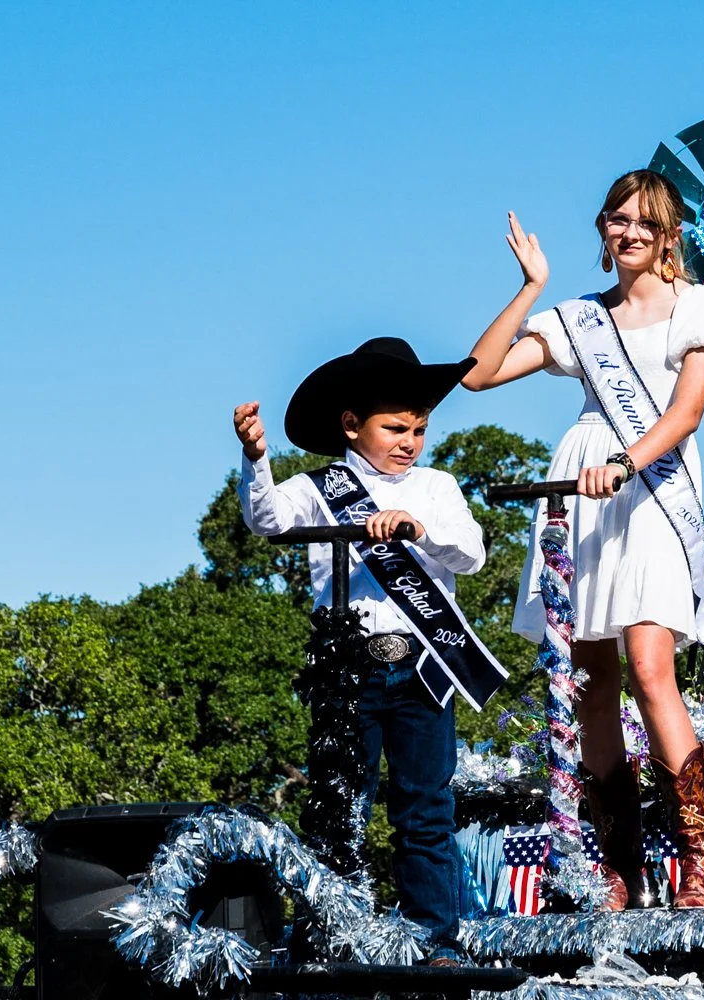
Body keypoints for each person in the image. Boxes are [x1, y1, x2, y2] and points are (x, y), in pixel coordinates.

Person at [459, 169, 704, 908]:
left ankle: (699, 855)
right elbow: (479, 377)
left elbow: (685, 415)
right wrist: (529, 288)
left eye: (646, 222)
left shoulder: (700, 307)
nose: (630, 233)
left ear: (671, 234)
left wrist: (624, 463)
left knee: (651, 668)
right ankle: (621, 862)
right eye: (618, 220)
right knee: (589, 682)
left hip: (650, 486)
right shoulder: (579, 316)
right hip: (581, 486)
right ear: (604, 227)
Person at [233, 337, 498, 964]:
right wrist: (255, 457)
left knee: (426, 810)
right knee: (338, 806)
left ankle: (435, 942)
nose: (409, 440)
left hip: (423, 667)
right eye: (395, 427)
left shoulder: (437, 486)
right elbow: (266, 519)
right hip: (346, 670)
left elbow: (473, 553)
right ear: (351, 426)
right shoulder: (317, 485)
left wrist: (418, 527)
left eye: (419, 429)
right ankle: (333, 937)